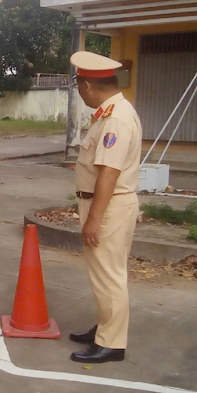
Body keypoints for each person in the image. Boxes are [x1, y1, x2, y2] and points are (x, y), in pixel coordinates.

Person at [68, 51, 142, 365]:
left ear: (87, 85)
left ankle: (111, 343)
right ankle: (106, 328)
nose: (80, 93)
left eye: (79, 87)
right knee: (105, 274)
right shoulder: (111, 112)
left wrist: (93, 220)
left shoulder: (116, 119)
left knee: (109, 276)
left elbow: (109, 173)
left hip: (109, 207)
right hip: (107, 205)